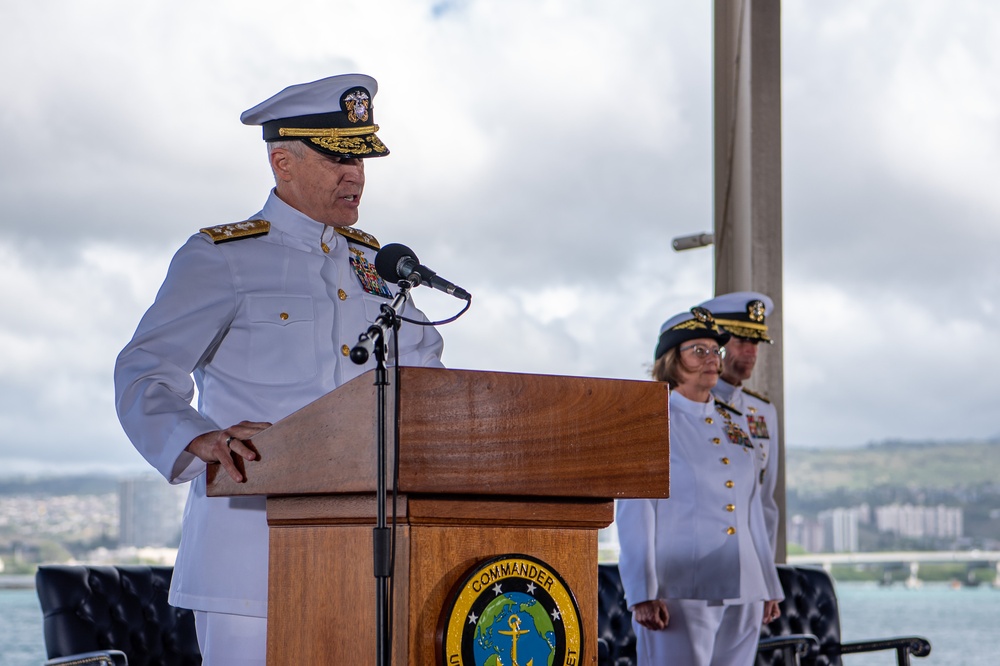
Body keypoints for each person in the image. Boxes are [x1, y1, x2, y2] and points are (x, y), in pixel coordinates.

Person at [114, 74, 445, 665]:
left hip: (370, 558)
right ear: (282, 161)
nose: (357, 175)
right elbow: (143, 373)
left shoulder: (378, 264)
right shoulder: (222, 258)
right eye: (339, 157)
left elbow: (429, 378)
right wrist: (199, 438)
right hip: (249, 559)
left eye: (363, 159)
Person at [616, 307, 782, 666]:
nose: (712, 359)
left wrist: (768, 583)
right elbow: (636, 512)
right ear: (672, 360)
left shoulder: (735, 422)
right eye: (699, 351)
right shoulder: (651, 419)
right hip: (680, 587)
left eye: (715, 351)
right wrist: (642, 591)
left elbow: (753, 507)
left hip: (746, 584)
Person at [698, 291, 780, 552]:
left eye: (756, 342)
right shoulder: (687, 406)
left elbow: (765, 501)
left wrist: (767, 573)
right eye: (741, 340)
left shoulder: (763, 411)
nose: (751, 351)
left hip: (749, 562)